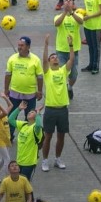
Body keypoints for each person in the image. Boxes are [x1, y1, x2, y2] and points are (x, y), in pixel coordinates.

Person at [40, 34, 73, 172]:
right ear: (49, 61)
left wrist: (71, 45)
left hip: (63, 109)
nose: (55, 58)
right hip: (50, 109)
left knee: (61, 136)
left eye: (56, 57)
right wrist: (46, 45)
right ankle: (45, 160)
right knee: (48, 136)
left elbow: (72, 59)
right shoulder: (47, 73)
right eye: (52, 57)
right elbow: (43, 60)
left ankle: (58, 159)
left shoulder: (63, 70)